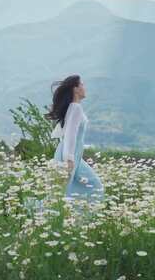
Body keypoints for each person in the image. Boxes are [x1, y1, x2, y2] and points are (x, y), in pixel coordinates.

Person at [45, 74, 105, 215]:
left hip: (74, 156)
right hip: (69, 156)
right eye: (82, 84)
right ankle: (46, 219)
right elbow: (70, 135)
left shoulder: (73, 107)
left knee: (93, 185)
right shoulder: (75, 108)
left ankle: (76, 220)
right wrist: (69, 159)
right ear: (76, 89)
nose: (84, 88)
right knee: (59, 194)